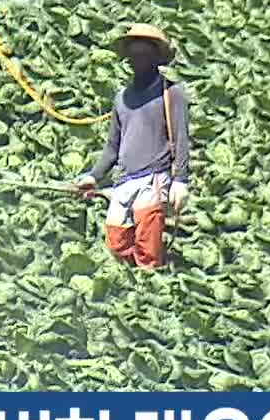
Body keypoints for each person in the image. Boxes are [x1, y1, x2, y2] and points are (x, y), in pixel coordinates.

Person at [74, 25, 193, 271]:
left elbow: (181, 137)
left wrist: (181, 180)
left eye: (144, 54)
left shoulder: (171, 93)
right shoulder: (122, 98)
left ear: (155, 58)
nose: (138, 60)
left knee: (148, 248)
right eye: (134, 55)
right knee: (116, 243)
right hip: (124, 179)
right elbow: (112, 146)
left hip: (154, 177)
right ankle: (131, 290)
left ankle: (152, 288)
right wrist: (94, 177)